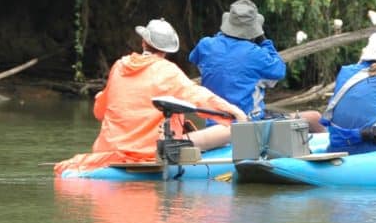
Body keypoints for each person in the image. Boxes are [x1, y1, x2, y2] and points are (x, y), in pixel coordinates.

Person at [54, 19, 247, 175]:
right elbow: (200, 96)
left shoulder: (120, 66)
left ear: (143, 42)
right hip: (151, 151)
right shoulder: (168, 71)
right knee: (230, 130)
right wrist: (235, 113)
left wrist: (99, 98)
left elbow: (99, 112)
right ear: (167, 50)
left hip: (111, 149)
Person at [189, 0, 325, 133]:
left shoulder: (205, 45)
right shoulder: (256, 54)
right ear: (254, 29)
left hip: (213, 125)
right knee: (315, 117)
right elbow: (280, 70)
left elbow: (194, 58)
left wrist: (222, 38)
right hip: (249, 124)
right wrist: (264, 40)